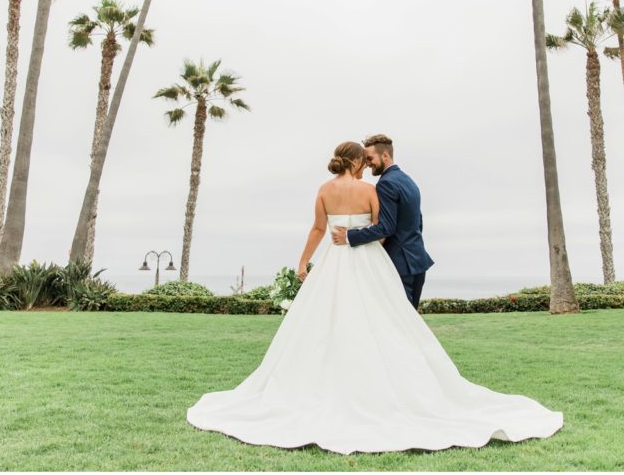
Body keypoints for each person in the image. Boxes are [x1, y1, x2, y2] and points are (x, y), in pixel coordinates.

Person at [185, 139, 564, 454]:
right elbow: (384, 231)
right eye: (362, 161)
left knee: (322, 322)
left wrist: (304, 262)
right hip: (368, 262)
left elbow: (318, 228)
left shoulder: (323, 190)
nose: (367, 165)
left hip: (333, 260)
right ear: (355, 161)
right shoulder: (369, 190)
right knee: (386, 320)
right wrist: (362, 241)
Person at [331, 134, 432, 309]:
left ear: (385, 156)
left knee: (400, 321)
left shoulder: (386, 184)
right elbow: (418, 221)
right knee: (411, 322)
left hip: (399, 265)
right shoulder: (409, 181)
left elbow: (386, 227)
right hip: (418, 261)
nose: (367, 163)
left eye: (369, 158)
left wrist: (349, 236)